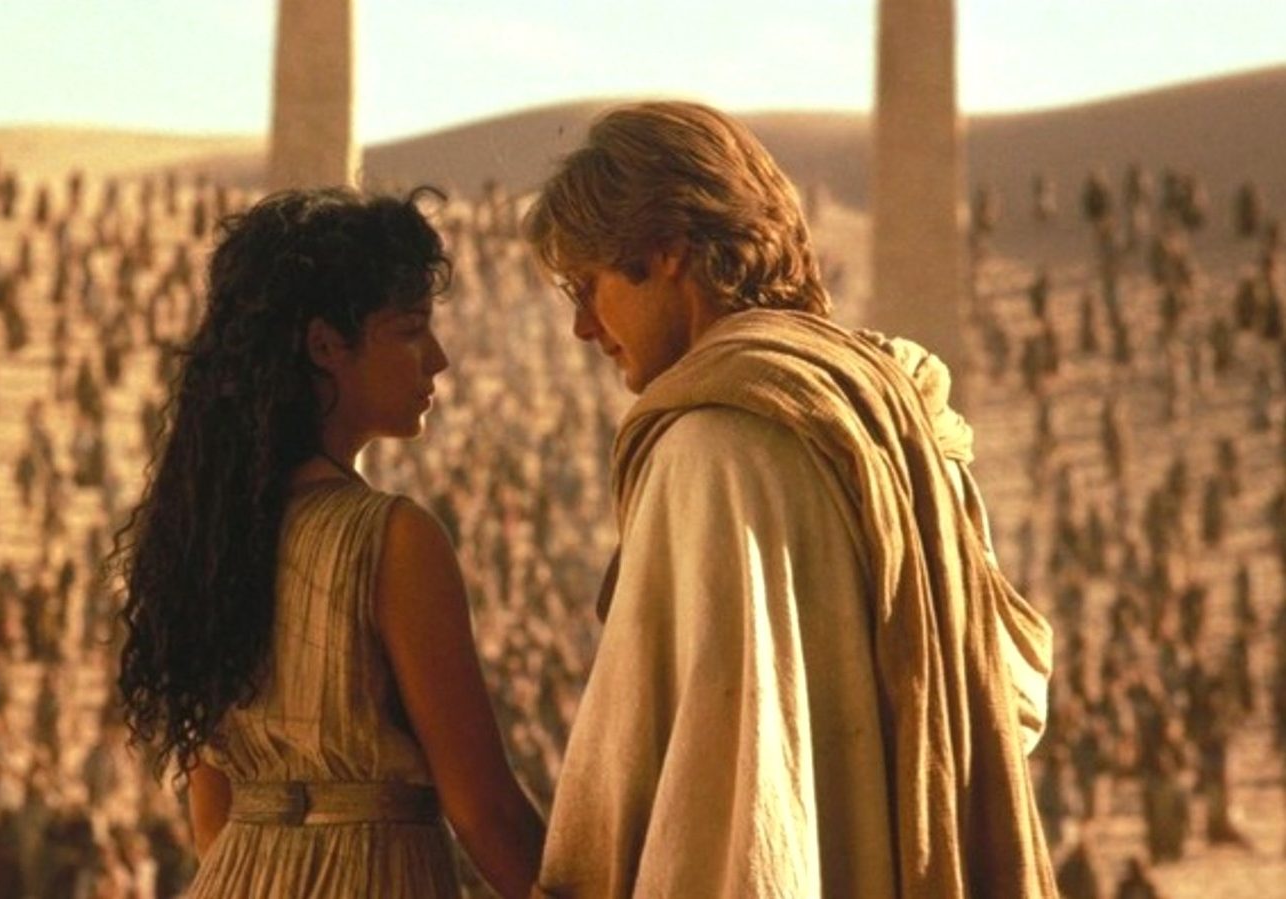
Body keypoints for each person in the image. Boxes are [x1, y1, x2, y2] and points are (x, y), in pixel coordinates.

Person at [522, 101, 1055, 898]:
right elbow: (1011, 697)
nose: (582, 327)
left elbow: (666, 782)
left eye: (588, 286)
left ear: (666, 250)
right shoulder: (898, 417)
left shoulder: (709, 451)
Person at [115, 187, 543, 898]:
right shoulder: (396, 541)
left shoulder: (209, 535)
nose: (437, 358)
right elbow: (484, 811)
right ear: (325, 346)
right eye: (410, 330)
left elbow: (213, 818)